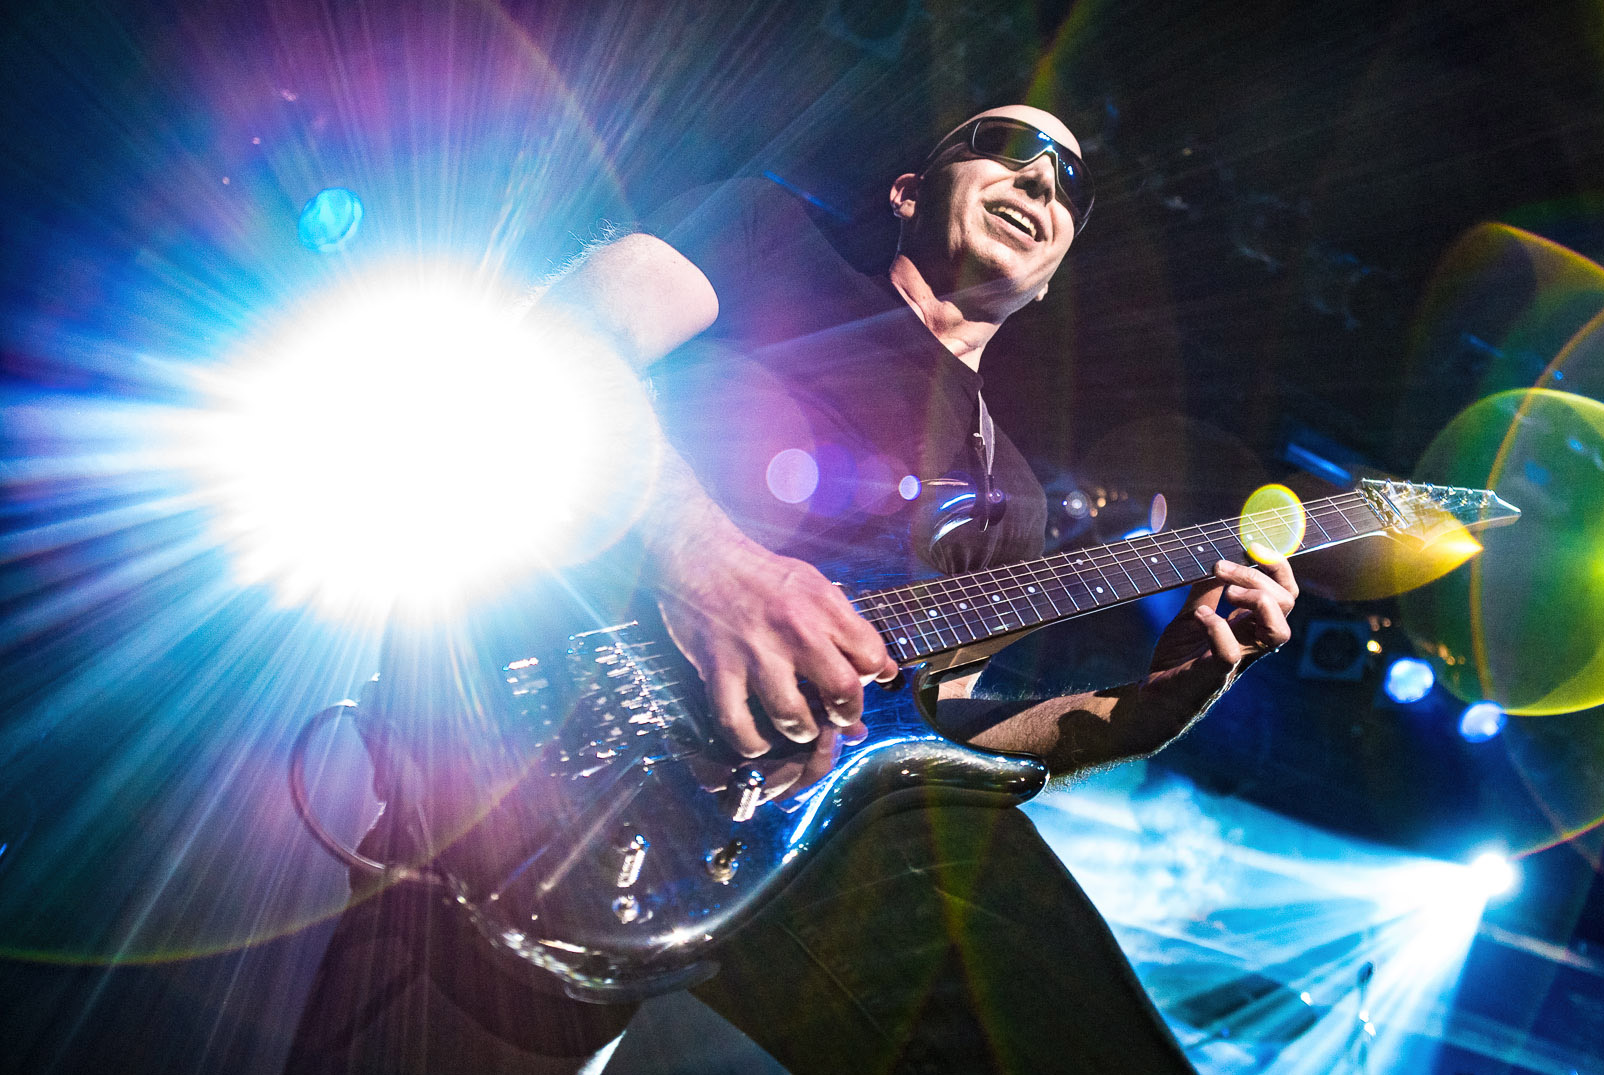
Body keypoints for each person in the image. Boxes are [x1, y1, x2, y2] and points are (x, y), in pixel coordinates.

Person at [286, 104, 1297, 1075]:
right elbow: (557, 337)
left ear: (1050, 278)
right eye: (1006, 144)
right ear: (909, 190)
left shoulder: (1015, 497)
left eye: (1069, 183)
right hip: (537, 750)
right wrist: (705, 562)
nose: (1040, 180)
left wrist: (1132, 715)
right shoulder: (768, 237)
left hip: (809, 822)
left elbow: (925, 726)